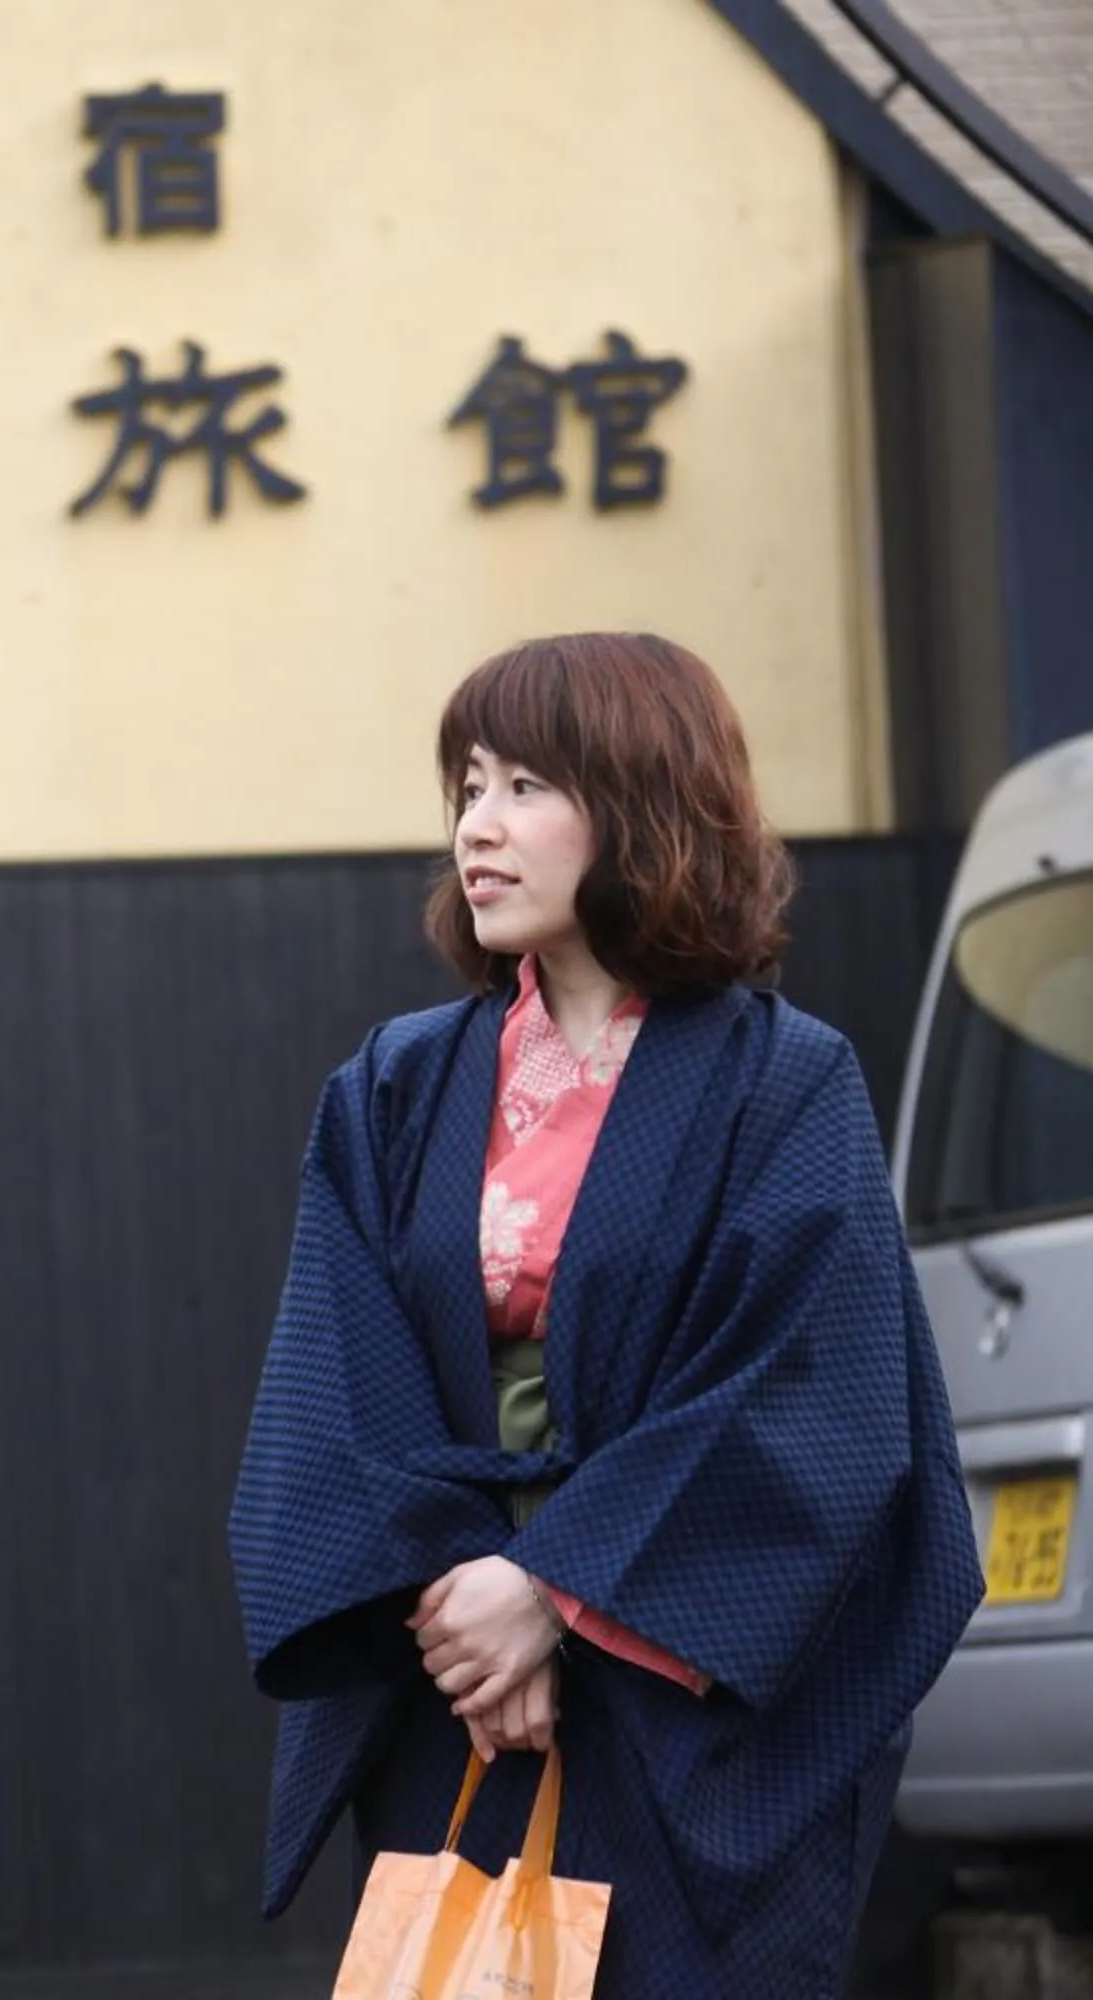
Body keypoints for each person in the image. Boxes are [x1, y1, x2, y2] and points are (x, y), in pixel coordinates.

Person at [228, 631, 982, 1997]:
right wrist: (471, 1603)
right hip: (449, 1672)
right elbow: (341, 1377)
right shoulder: (397, 1084)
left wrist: (560, 1591)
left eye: (526, 786)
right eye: (466, 788)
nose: (480, 828)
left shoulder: (784, 1084)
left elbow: (811, 1390)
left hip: (684, 1688)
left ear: (640, 805)